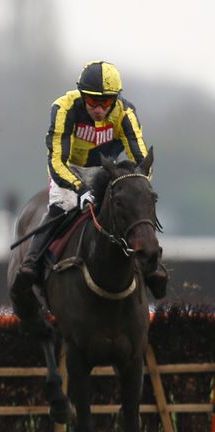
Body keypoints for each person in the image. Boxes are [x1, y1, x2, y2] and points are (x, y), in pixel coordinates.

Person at [10, 61, 168, 318]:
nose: (98, 109)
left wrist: (134, 185)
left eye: (105, 103)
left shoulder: (126, 113)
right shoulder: (63, 108)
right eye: (92, 101)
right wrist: (79, 188)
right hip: (69, 169)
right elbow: (56, 161)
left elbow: (141, 162)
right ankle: (31, 263)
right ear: (82, 96)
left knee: (133, 208)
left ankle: (153, 266)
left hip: (107, 171)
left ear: (115, 100)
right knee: (63, 207)